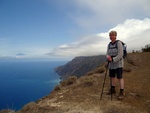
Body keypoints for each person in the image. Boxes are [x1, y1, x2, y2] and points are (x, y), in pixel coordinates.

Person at [106, 30, 125, 100]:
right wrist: (108, 57)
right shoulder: (109, 44)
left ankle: (122, 92)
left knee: (120, 77)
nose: (111, 36)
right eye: (110, 35)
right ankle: (113, 89)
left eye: (113, 35)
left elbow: (120, 54)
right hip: (111, 64)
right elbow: (107, 53)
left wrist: (113, 59)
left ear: (115, 36)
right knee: (112, 77)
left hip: (118, 64)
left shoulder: (118, 43)